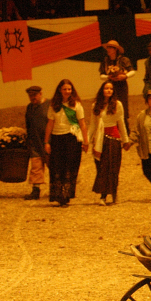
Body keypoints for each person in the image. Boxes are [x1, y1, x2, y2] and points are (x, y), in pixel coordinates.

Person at [44, 79, 89, 207]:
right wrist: (46, 142)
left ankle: (66, 195)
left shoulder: (76, 105)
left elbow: (82, 123)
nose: (67, 91)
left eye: (69, 89)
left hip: (71, 138)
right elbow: (50, 124)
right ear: (60, 90)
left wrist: (86, 141)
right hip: (57, 138)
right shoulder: (54, 105)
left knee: (70, 167)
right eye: (65, 89)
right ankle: (58, 194)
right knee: (57, 167)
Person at [88, 81, 130, 205]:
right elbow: (93, 124)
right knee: (101, 168)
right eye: (106, 88)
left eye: (111, 89)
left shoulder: (118, 105)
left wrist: (125, 140)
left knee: (112, 168)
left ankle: (110, 194)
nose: (109, 90)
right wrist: (86, 140)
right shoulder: (95, 105)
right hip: (99, 140)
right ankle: (103, 193)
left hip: (113, 139)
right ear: (102, 90)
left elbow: (121, 122)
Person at [99, 40, 135, 134]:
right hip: (110, 86)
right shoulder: (105, 61)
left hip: (121, 87)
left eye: (110, 48)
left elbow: (132, 71)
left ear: (115, 49)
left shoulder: (124, 60)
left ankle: (125, 132)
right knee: (111, 106)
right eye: (107, 47)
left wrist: (125, 76)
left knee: (122, 107)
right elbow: (101, 75)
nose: (108, 49)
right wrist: (108, 77)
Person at [23, 86, 49, 201]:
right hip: (35, 142)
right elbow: (28, 124)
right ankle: (36, 190)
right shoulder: (30, 107)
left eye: (34, 95)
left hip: (49, 141)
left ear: (40, 94)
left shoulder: (50, 105)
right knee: (36, 167)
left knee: (54, 166)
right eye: (30, 96)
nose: (32, 97)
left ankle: (58, 188)